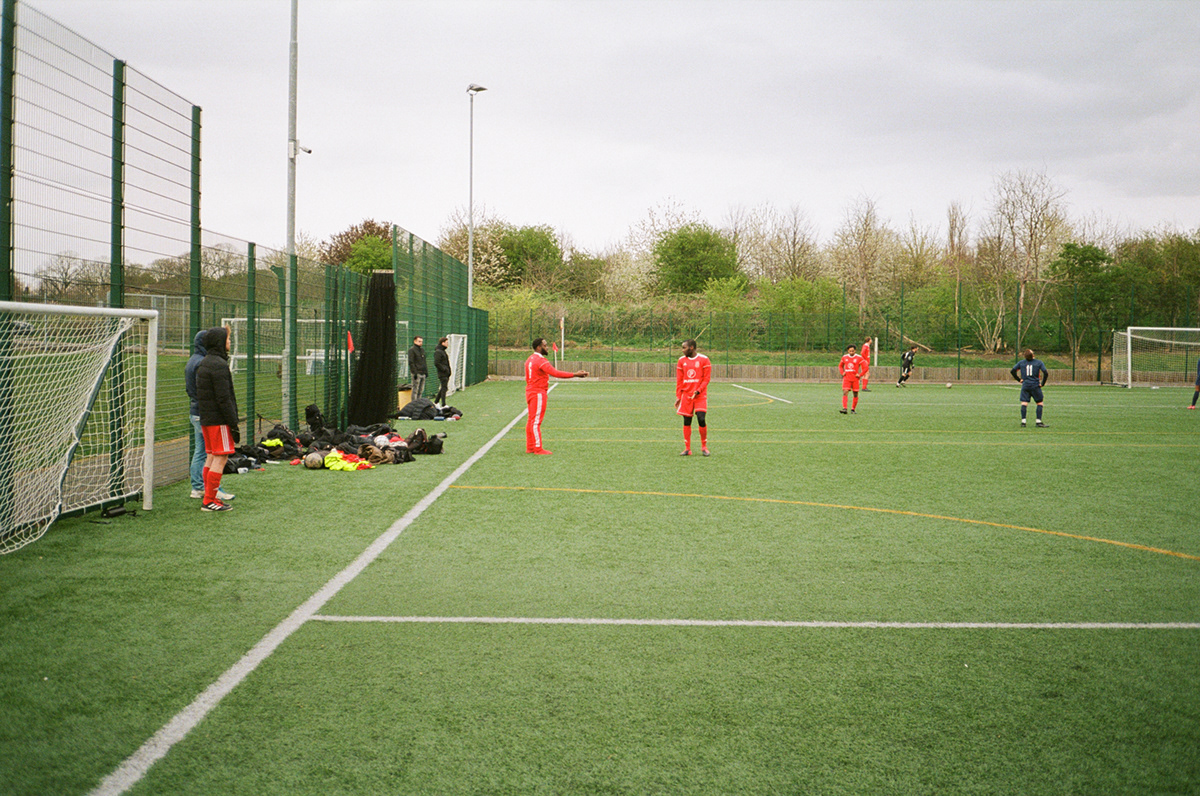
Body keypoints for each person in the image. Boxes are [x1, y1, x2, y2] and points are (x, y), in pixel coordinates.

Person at [195, 326, 241, 511]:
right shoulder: (219, 365)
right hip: (218, 420)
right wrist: (233, 423)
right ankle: (209, 501)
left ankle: (210, 497)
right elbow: (224, 398)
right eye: (227, 339)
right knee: (220, 457)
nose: (229, 342)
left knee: (211, 456)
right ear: (219, 342)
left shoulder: (205, 362)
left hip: (207, 419)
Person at [184, 330, 234, 502]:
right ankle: (207, 491)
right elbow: (221, 396)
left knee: (205, 452)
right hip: (208, 414)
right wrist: (232, 420)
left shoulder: (194, 361)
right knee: (211, 454)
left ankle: (201, 488)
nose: (229, 341)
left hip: (198, 411)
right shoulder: (208, 363)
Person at [525, 337, 587, 454]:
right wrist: (575, 374)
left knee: (531, 420)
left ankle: (530, 447)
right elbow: (555, 373)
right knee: (536, 422)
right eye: (545, 345)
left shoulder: (530, 359)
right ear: (538, 347)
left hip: (530, 391)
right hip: (538, 393)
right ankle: (538, 448)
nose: (547, 347)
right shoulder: (540, 360)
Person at [675, 339, 713, 456]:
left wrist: (698, 390)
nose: (682, 350)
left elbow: (706, 378)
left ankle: (704, 447)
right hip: (686, 395)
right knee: (687, 421)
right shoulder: (681, 361)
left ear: (691, 347)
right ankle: (687, 449)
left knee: (701, 418)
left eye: (684, 348)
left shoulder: (704, 359)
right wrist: (678, 396)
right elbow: (679, 380)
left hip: (700, 395)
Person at [1010, 348, 1049, 427]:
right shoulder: (1039, 362)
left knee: (1024, 403)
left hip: (1025, 385)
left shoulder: (1021, 363)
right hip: (1035, 385)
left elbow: (1012, 371)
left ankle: (1023, 422)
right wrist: (1042, 383)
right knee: (1039, 403)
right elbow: (1045, 373)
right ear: (1033, 355)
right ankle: (1038, 422)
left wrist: (1019, 380)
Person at [839, 344, 866, 414]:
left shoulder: (859, 358)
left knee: (855, 394)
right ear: (848, 351)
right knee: (845, 392)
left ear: (855, 351)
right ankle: (845, 408)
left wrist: (860, 374)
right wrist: (842, 372)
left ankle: (853, 409)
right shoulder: (844, 357)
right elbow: (840, 366)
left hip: (855, 379)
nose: (851, 352)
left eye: (853, 351)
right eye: (850, 351)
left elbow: (865, 367)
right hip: (847, 378)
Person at [434, 336, 451, 405]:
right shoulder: (438, 352)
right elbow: (437, 363)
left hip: (446, 373)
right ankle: (443, 404)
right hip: (442, 373)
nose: (447, 344)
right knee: (444, 388)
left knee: (444, 388)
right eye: (446, 342)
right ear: (442, 343)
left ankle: (436, 402)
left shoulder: (443, 351)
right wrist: (444, 369)